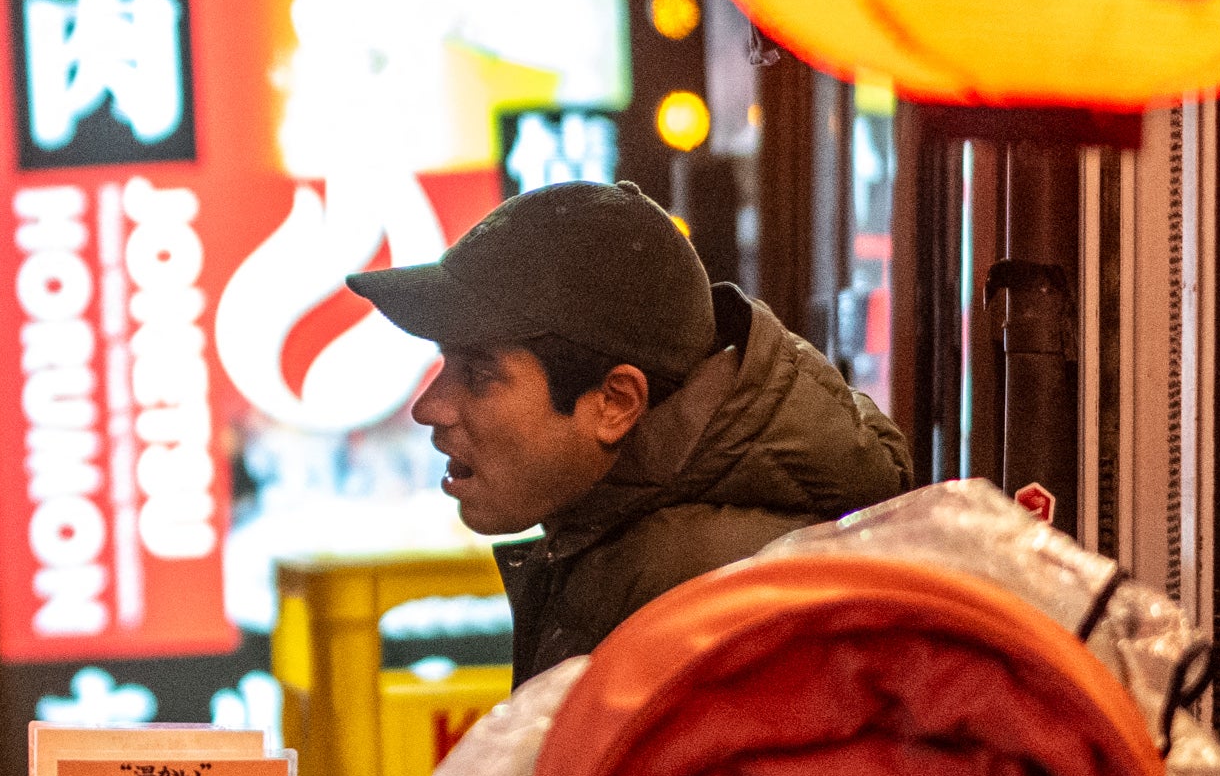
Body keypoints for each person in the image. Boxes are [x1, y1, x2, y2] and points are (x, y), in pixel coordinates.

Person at [347, 178, 912, 678]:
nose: (430, 408)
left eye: (479, 374)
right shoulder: (631, 541)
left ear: (615, 402)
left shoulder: (694, 602)